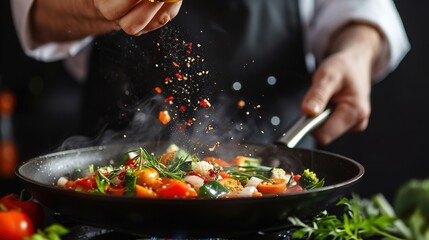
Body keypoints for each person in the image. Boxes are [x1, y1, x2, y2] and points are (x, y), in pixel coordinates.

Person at [10, 0, 410, 150]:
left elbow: (360, 13)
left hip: (281, 167)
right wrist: (96, 6)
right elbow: (35, 15)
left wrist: (355, 53)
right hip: (117, 179)